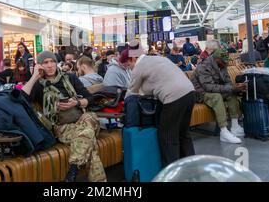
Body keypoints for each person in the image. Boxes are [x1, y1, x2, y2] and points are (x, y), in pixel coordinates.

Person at [21, 51, 106, 182]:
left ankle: (73, 171)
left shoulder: (70, 78)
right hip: (62, 127)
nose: (50, 65)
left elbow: (90, 98)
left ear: (56, 63)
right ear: (40, 66)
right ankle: (74, 170)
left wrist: (76, 102)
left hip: (82, 118)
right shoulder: (39, 85)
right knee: (88, 136)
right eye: (45, 62)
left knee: (90, 117)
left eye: (52, 61)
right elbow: (22, 99)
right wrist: (33, 77)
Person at [122, 40, 196, 166]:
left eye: (128, 65)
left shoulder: (139, 67)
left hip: (174, 97)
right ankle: (191, 167)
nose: (130, 68)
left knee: (167, 136)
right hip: (190, 92)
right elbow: (155, 84)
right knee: (183, 133)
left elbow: (131, 92)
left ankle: (173, 173)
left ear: (133, 58)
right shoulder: (158, 58)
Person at [191, 48, 246, 144]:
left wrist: (234, 87)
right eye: (223, 62)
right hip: (200, 93)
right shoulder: (203, 67)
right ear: (216, 59)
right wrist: (230, 88)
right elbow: (208, 87)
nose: (226, 64)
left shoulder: (222, 65)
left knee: (231, 93)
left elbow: (227, 81)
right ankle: (224, 132)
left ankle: (235, 126)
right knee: (217, 97)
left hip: (214, 90)